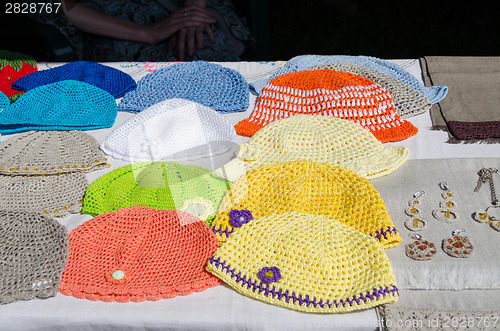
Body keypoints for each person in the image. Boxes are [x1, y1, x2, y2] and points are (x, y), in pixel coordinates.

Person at [28, 0, 255, 62]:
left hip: (181, 6)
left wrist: (195, 8)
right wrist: (148, 33)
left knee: (204, 41)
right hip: (108, 24)